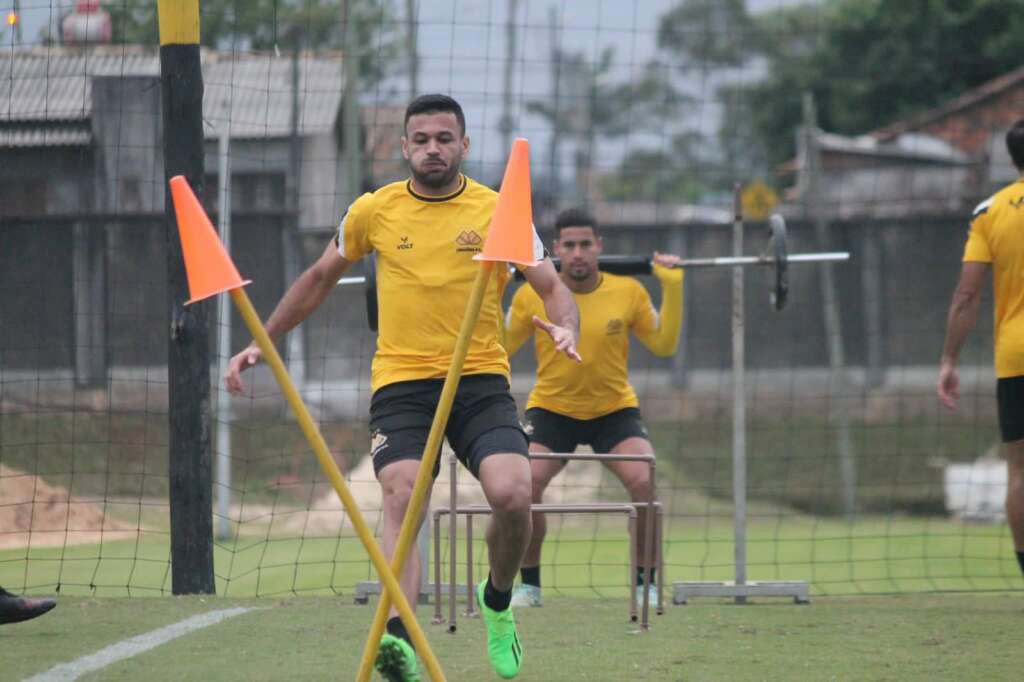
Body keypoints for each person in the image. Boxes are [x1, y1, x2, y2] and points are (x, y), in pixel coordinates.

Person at [225, 94, 579, 682]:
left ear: (464, 146)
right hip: (403, 384)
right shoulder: (373, 211)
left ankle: (496, 602)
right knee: (400, 493)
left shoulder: (499, 210)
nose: (433, 148)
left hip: (479, 379)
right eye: (422, 139)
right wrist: (265, 340)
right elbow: (318, 278)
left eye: (445, 138)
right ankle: (402, 643)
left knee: (514, 494)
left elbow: (552, 285)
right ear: (404, 147)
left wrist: (566, 326)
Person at [503, 207, 683, 608]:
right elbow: (499, 346)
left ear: (599, 246)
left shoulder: (629, 292)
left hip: (613, 413)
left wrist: (671, 287)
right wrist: (488, 287)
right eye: (570, 245)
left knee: (644, 481)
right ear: (555, 251)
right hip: (552, 411)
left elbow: (664, 345)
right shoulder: (531, 294)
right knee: (525, 485)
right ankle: (529, 586)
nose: (579, 253)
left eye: (586, 244)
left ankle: (645, 584)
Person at [938, 118, 1024, 580]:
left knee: (1020, 473)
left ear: (1012, 160)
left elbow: (967, 296)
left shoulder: (990, 212)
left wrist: (949, 359)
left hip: (1016, 358)